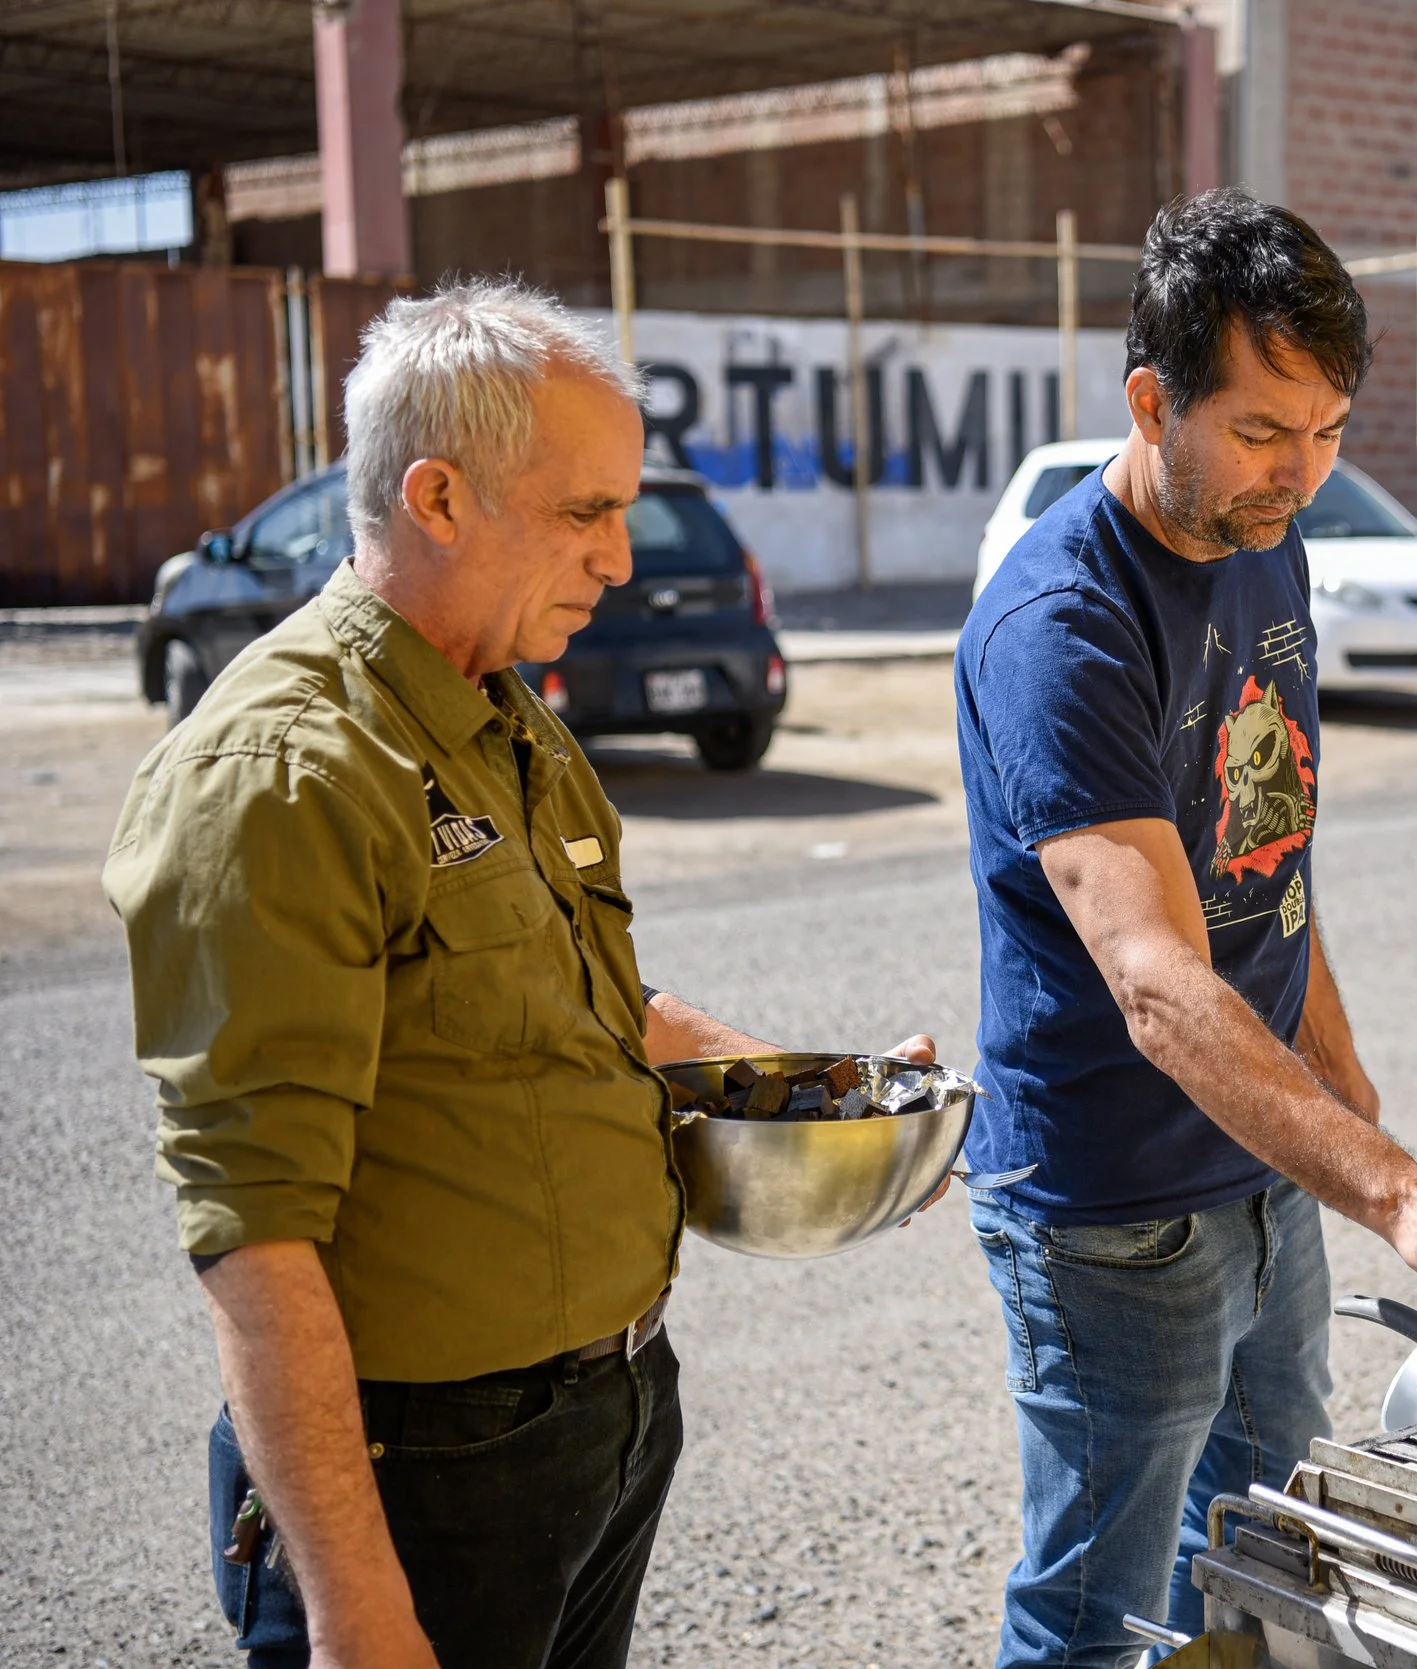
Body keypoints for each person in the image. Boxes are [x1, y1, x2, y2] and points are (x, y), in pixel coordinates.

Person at [103, 279, 935, 1669]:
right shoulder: (285, 773)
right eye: (584, 511)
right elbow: (253, 1231)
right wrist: (358, 1611)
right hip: (428, 1471)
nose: (619, 556)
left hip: (604, 1418)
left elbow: (586, 1009)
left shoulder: (501, 706)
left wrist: (830, 1101)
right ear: (437, 498)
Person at [954, 188, 1417, 1667]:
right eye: (1259, 431)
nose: (1299, 473)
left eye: (1329, 432)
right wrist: (1398, 1195)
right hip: (1114, 1212)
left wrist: (1353, 1122)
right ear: (1150, 402)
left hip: (1267, 1171)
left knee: (1261, 1551)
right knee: (1093, 1613)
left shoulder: (1266, 538)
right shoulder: (1062, 627)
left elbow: (1271, 867)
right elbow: (1158, 983)